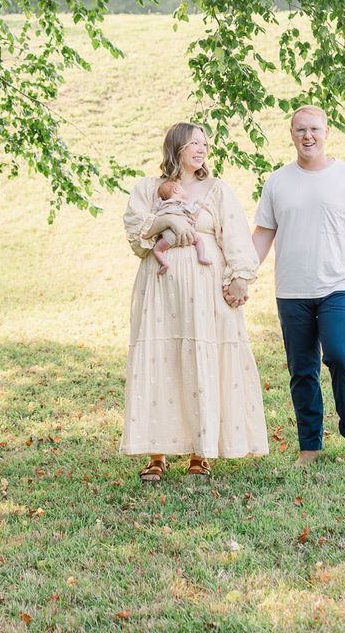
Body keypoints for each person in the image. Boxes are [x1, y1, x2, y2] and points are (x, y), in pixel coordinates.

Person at [121, 123, 267, 482]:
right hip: (160, 289)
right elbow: (137, 237)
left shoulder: (217, 190)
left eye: (204, 144)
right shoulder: (148, 189)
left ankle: (201, 452)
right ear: (176, 149)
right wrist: (166, 217)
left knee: (203, 359)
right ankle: (156, 453)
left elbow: (235, 235)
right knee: (162, 360)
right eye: (193, 144)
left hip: (206, 289)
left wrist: (240, 277)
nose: (201, 150)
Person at [251, 105, 345, 467]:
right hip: (292, 290)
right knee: (302, 369)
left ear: (327, 132)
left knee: (341, 355)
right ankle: (309, 447)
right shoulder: (277, 181)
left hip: (338, 286)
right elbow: (263, 234)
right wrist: (241, 274)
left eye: (314, 129)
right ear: (292, 135)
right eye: (300, 130)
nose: (307, 136)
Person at [150, 178, 213, 275]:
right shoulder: (182, 204)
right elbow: (193, 216)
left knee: (157, 250)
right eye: (182, 188)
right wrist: (199, 205)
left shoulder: (162, 205)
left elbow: (155, 217)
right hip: (187, 234)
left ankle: (164, 264)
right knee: (199, 240)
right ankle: (201, 257)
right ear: (176, 189)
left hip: (168, 238)